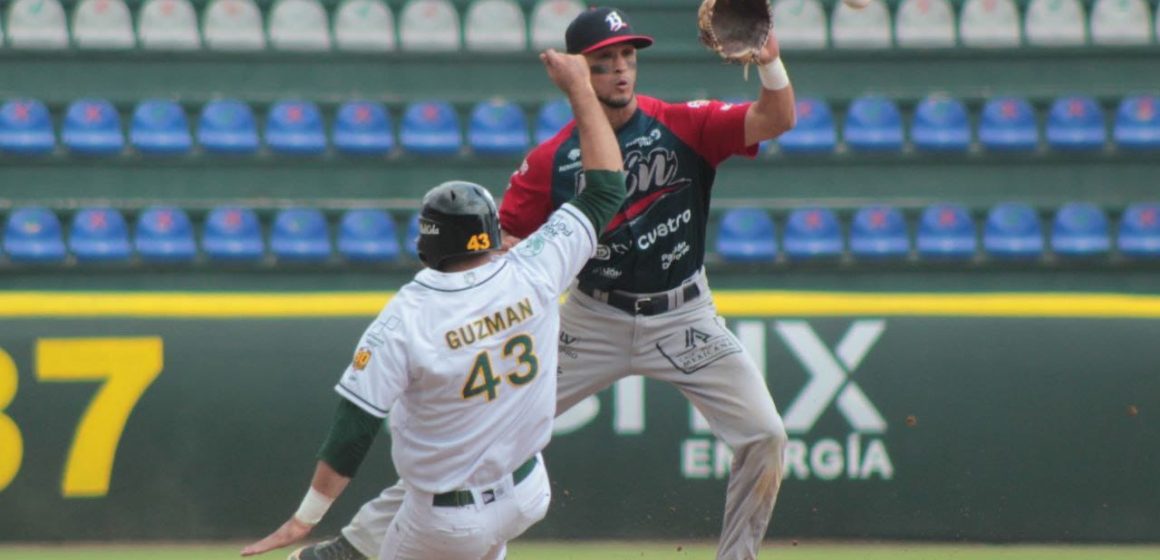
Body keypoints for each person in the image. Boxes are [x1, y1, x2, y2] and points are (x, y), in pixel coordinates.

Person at [287, 6, 796, 560]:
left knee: (765, 435)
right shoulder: (550, 162)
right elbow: (495, 255)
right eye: (604, 62)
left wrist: (770, 64)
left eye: (628, 56)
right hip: (592, 317)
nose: (621, 70)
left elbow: (776, 119)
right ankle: (356, 546)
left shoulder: (681, 124)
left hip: (683, 315)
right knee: (472, 437)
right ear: (579, 71)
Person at [240, 47, 627, 560]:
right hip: (528, 490)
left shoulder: (408, 316)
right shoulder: (535, 265)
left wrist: (301, 520)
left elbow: (355, 427)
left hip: (446, 517)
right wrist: (580, 88)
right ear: (490, 236)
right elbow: (605, 189)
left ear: (428, 244)